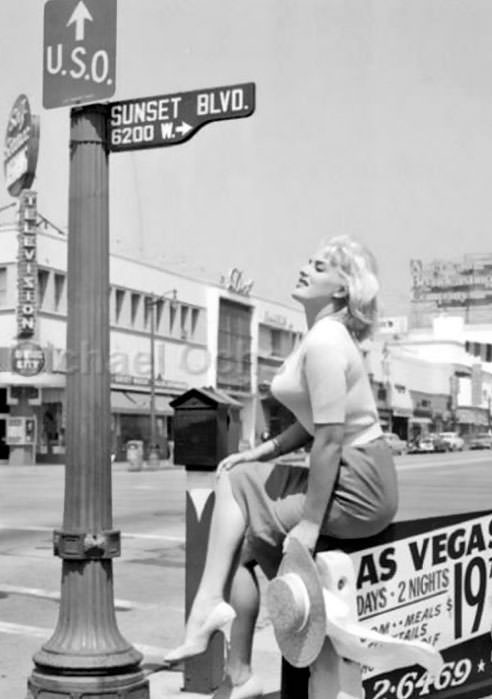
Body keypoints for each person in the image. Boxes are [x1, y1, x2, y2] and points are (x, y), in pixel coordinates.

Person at [164, 235, 398, 699]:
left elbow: (330, 438)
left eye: (320, 265)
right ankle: (237, 666)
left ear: (341, 289)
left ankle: (221, 637)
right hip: (347, 470)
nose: (305, 268)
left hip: (358, 484)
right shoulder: (316, 336)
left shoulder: (328, 341)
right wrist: (262, 451)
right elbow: (312, 424)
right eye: (308, 260)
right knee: (238, 505)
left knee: (238, 514)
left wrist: (309, 524)